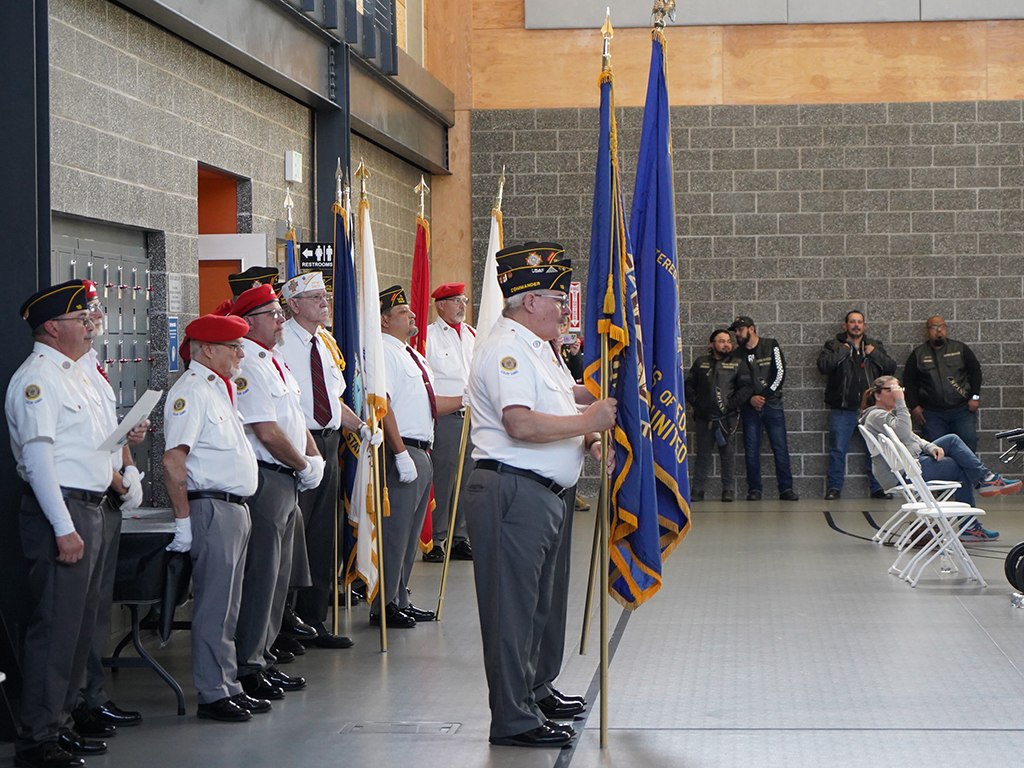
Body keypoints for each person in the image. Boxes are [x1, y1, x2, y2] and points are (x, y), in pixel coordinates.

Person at [463, 242, 616, 749]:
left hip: (545, 493)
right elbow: (521, 423)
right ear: (528, 302)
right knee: (512, 610)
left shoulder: (539, 350)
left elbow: (563, 402)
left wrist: (588, 435)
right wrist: (587, 421)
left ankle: (535, 689)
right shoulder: (507, 349)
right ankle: (513, 719)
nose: (563, 308)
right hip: (513, 491)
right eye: (556, 297)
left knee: (541, 606)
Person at [6, 280, 141, 768]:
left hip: (90, 502)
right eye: (80, 319)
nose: (90, 325)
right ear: (51, 328)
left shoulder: (75, 375)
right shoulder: (38, 379)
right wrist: (64, 528)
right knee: (56, 630)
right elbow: (41, 461)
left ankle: (61, 724)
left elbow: (87, 447)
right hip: (62, 508)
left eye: (89, 318)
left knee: (79, 629)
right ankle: (38, 738)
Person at [161, 314, 269, 722]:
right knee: (213, 606)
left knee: (229, 606)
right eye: (233, 347)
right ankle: (211, 692)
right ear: (207, 349)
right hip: (211, 508)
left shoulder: (219, 390)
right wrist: (184, 523)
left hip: (234, 508)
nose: (241, 354)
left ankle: (228, 685)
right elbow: (174, 462)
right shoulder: (192, 392)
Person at [230, 284, 324, 701]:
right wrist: (304, 464)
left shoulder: (274, 361)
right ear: (250, 322)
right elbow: (266, 432)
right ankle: (248, 665)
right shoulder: (247, 363)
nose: (280, 319)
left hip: (287, 477)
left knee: (279, 578)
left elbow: (295, 419)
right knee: (262, 577)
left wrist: (313, 456)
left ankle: (264, 656)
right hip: (267, 478)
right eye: (272, 313)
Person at [278, 271, 379, 650]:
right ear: (294, 304)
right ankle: (282, 624)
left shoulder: (326, 343)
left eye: (326, 295)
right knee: (292, 541)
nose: (325, 302)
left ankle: (313, 619)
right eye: (316, 296)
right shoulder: (281, 343)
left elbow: (332, 400)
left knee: (322, 538)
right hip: (293, 449)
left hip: (329, 445)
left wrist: (361, 426)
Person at [69, 281, 146, 739]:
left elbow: (111, 434)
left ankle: (91, 696)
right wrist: (118, 479)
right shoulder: (62, 376)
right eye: (86, 313)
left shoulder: (94, 368)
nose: (95, 319)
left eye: (96, 311)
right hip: (90, 497)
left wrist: (131, 461)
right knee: (74, 615)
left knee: (96, 610)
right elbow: (81, 449)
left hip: (108, 497)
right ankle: (75, 703)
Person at [375, 285, 462, 627]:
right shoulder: (384, 353)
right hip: (403, 449)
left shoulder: (411, 353)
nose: (412, 316)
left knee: (410, 534)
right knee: (395, 532)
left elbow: (428, 403)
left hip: (422, 448)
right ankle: (384, 604)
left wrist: (465, 397)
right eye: (402, 313)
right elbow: (383, 406)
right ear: (383, 320)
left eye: (410, 311)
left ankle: (401, 596)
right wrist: (399, 453)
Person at [858, 375, 1019, 541]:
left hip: (908, 465)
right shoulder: (876, 415)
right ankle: (973, 516)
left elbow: (911, 438)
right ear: (878, 395)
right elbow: (904, 432)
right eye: (891, 390)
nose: (897, 393)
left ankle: (985, 481)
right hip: (901, 472)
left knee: (951, 440)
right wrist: (901, 402)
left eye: (899, 389)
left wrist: (931, 447)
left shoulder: (883, 415)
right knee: (961, 468)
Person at [817, 310, 896, 500]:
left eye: (859, 322)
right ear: (845, 326)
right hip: (842, 409)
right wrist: (843, 351)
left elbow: (891, 367)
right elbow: (823, 366)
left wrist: (874, 354)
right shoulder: (833, 345)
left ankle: (878, 488)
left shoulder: (874, 346)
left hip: (870, 410)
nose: (856, 325)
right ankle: (834, 488)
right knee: (838, 450)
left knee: (876, 450)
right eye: (852, 322)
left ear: (864, 326)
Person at [422, 281, 475, 563]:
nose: (462, 306)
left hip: (471, 417)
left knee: (467, 479)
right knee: (443, 478)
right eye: (456, 301)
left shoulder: (472, 335)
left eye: (464, 300)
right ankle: (437, 538)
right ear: (440, 305)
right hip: (445, 417)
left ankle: (458, 537)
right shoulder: (430, 337)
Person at [729, 316, 798, 502]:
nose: (737, 334)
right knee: (751, 450)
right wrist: (750, 400)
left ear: (751, 329)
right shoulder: (736, 355)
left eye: (740, 330)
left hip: (772, 404)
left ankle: (786, 489)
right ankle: (754, 489)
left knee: (780, 448)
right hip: (749, 408)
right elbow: (734, 384)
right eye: (735, 331)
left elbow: (780, 372)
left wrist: (765, 396)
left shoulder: (770, 345)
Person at [684, 329, 753, 502]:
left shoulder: (738, 363)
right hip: (704, 418)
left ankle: (728, 489)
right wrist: (697, 403)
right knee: (703, 455)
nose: (726, 344)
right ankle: (698, 490)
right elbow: (689, 385)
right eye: (722, 341)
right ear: (712, 344)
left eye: (729, 341)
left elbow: (747, 387)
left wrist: (731, 405)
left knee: (728, 455)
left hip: (727, 418)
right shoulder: (700, 363)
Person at [903, 316, 983, 452]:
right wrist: (914, 406)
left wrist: (974, 397)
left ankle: (965, 474)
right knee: (937, 451)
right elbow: (909, 382)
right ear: (927, 331)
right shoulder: (918, 354)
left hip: (961, 410)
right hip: (932, 414)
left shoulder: (960, 349)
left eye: (942, 326)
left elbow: (976, 372)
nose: (939, 330)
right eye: (934, 327)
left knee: (968, 446)